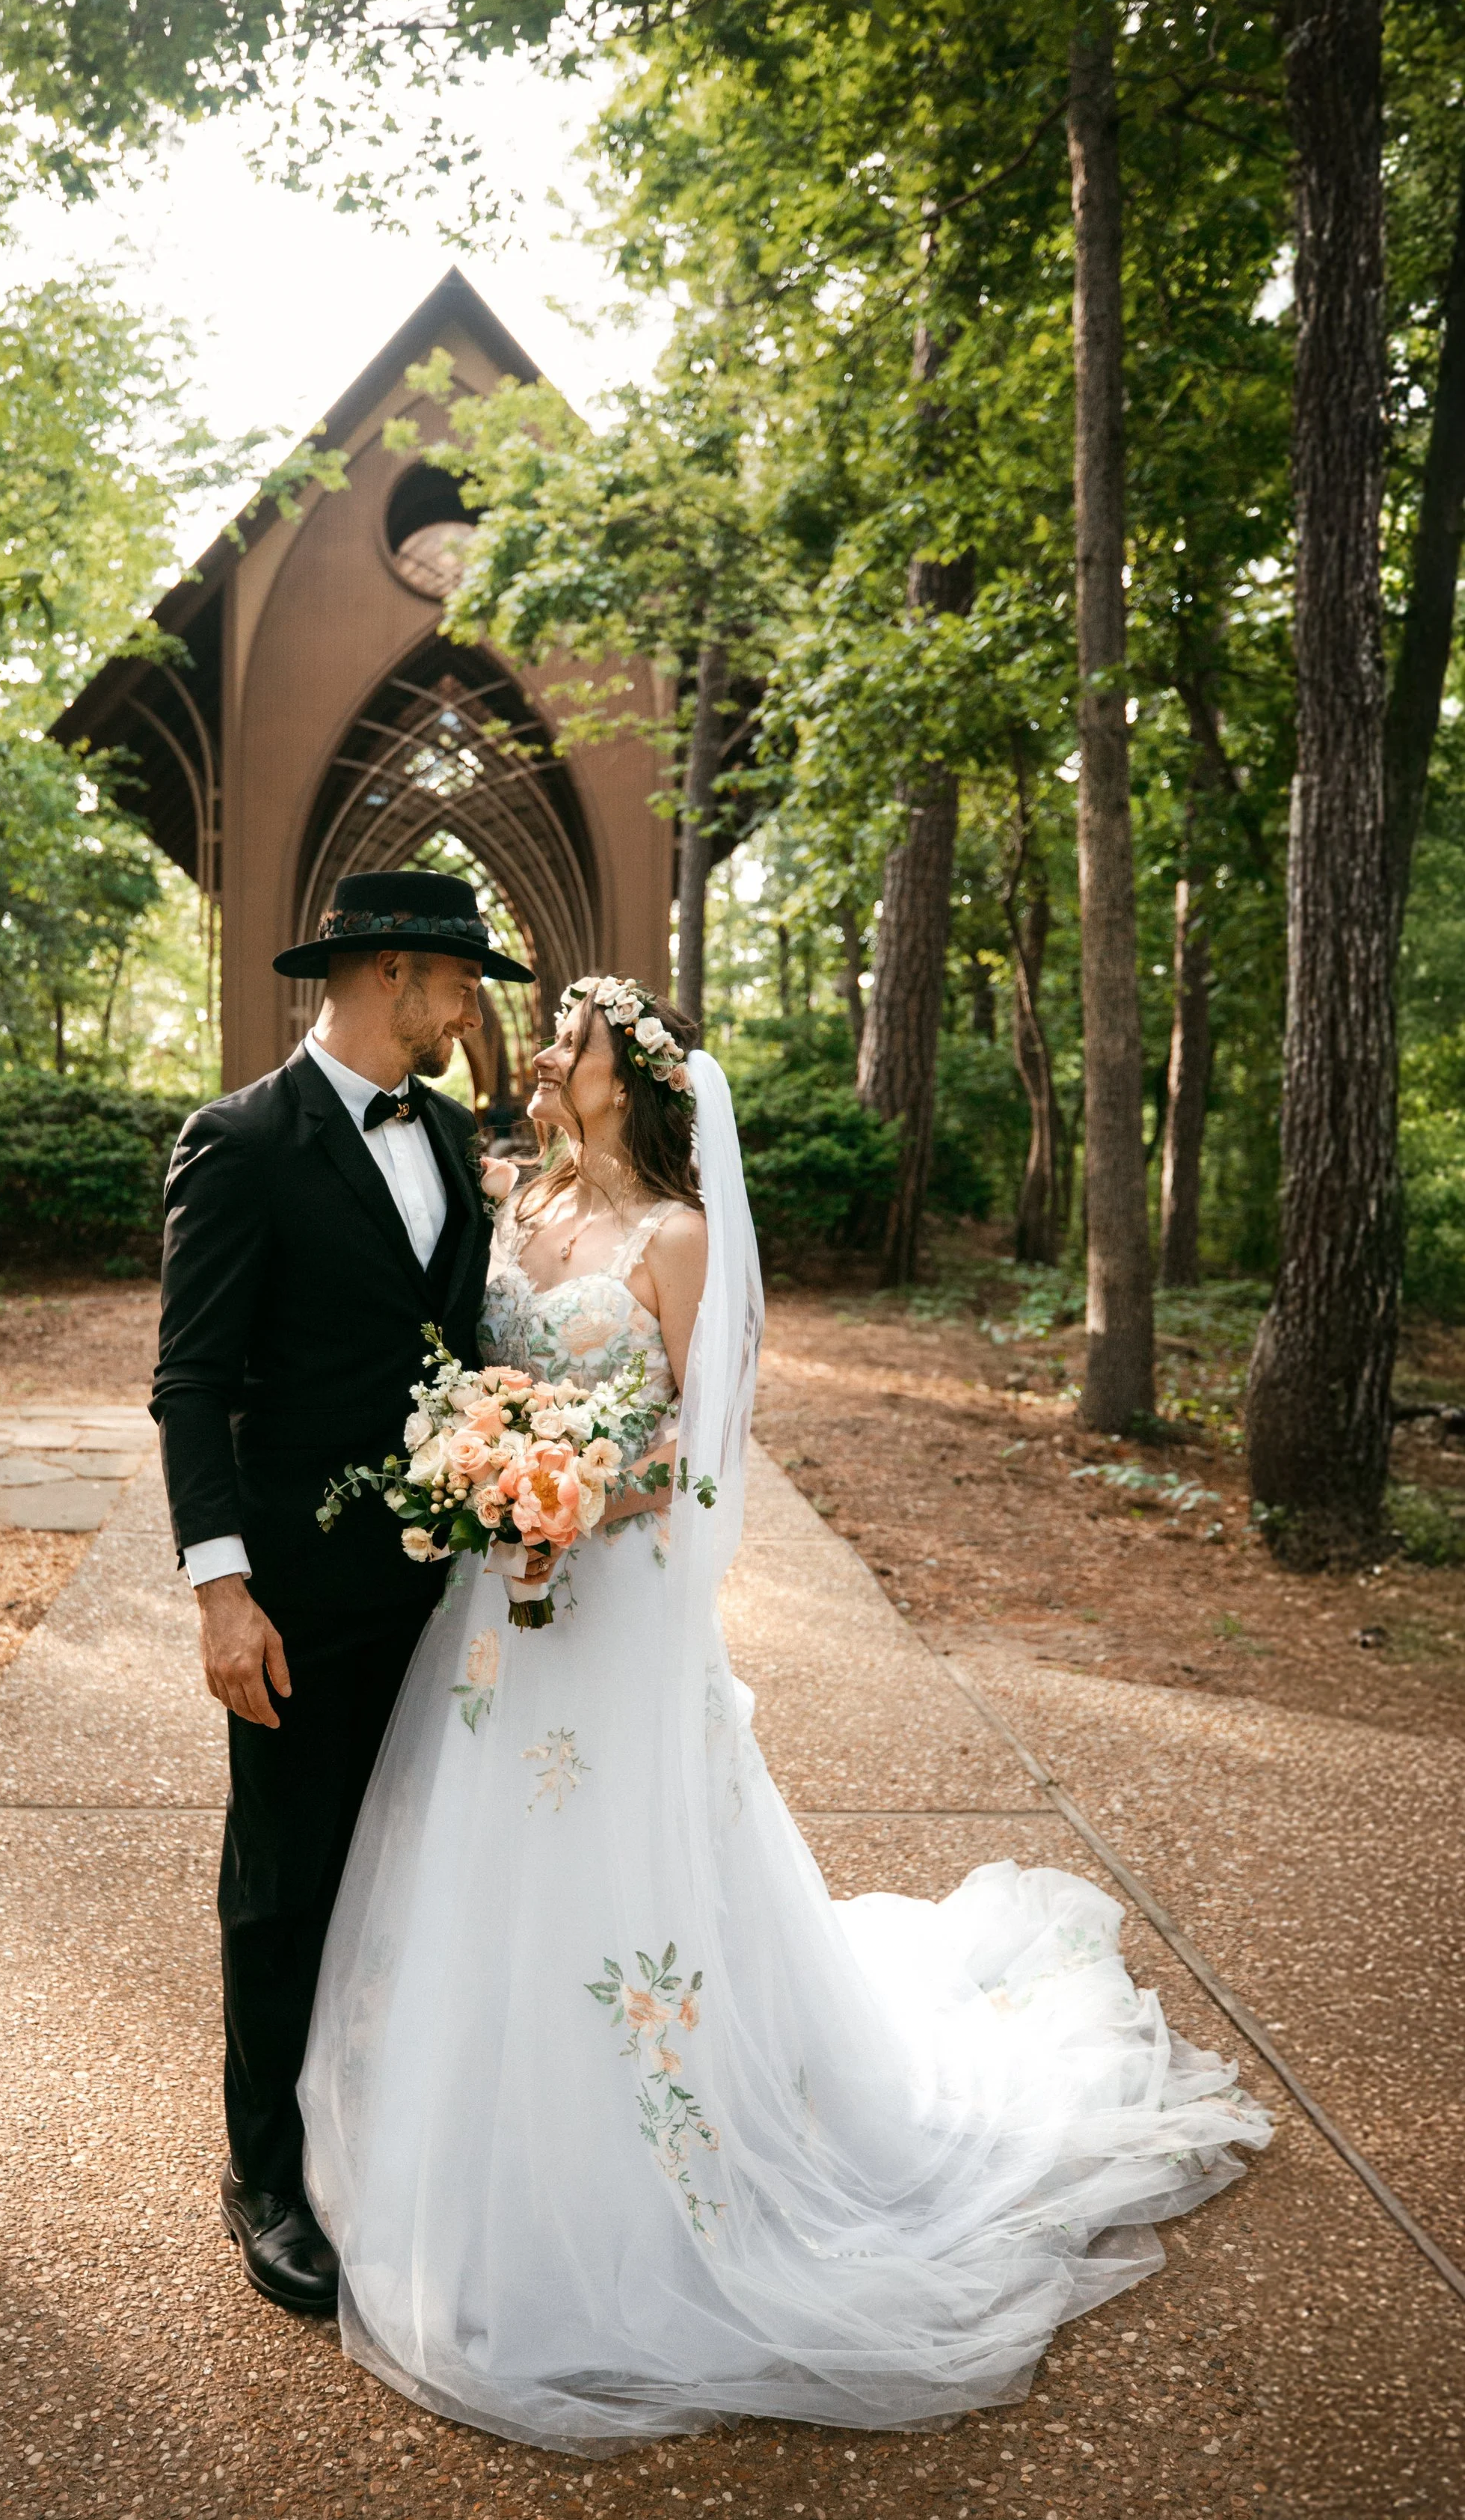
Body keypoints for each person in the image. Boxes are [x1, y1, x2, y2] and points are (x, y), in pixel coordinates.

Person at [298, 974, 1271, 2453]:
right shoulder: (515, 1205)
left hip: (610, 1603)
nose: (547, 1052)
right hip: (496, 1612)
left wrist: (584, 1490)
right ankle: (480, 2160)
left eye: (575, 1039)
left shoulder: (675, 1238)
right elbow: (478, 1374)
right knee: (480, 1866)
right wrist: (486, 1467)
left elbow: (700, 1436)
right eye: (555, 1035)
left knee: (614, 1881)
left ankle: (643, 2197)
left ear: (636, 1082)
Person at [151, 868, 532, 2312]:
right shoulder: (240, 1141)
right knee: (286, 1880)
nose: (471, 1003)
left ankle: (374, 2123)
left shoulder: (445, 1126)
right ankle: (262, 2168)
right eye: (459, 980)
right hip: (298, 1595)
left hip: (447, 1596)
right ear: (390, 972)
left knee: (411, 1877)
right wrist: (219, 1589)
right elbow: (190, 1382)